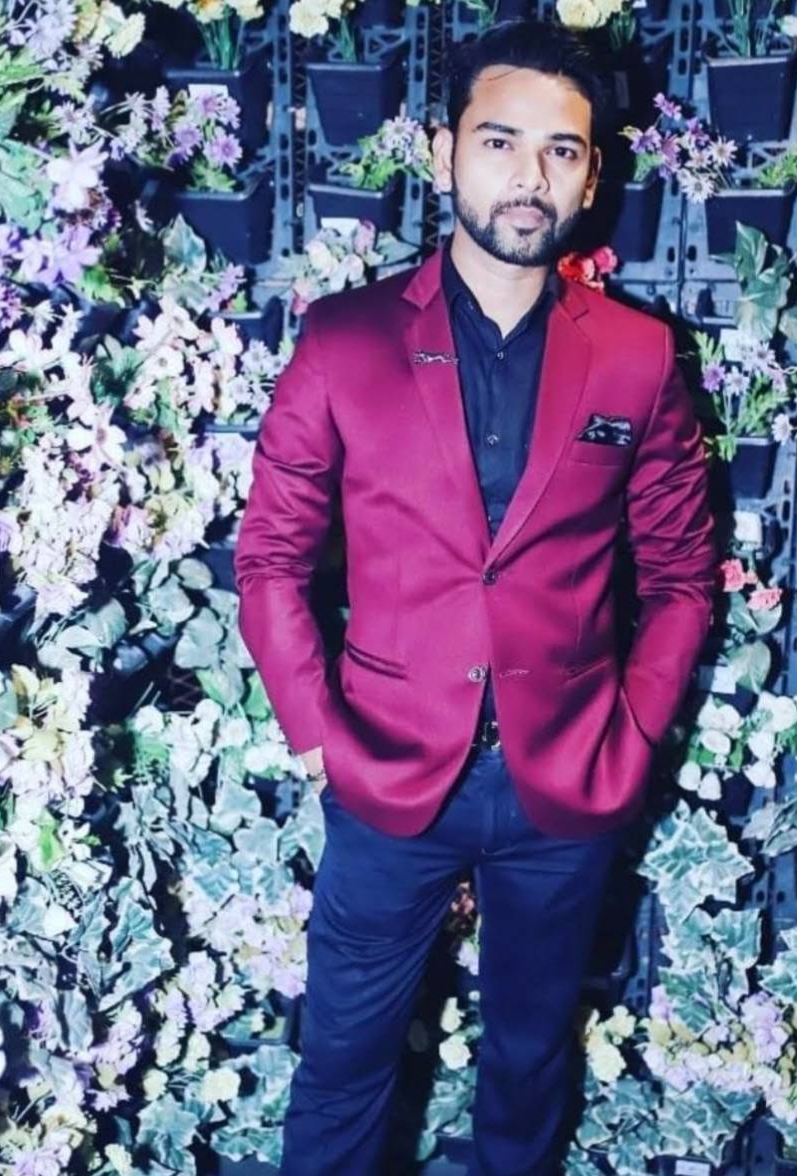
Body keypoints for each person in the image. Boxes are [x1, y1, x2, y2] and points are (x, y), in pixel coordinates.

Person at [233, 19, 717, 1176]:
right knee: (342, 1066)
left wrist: (632, 735)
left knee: (529, 1062)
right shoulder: (343, 340)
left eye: (561, 150)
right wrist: (317, 737)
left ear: (591, 178)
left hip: (567, 784)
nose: (528, 174)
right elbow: (269, 560)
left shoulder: (638, 357)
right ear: (444, 150)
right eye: (500, 141)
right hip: (385, 771)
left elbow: (681, 577)